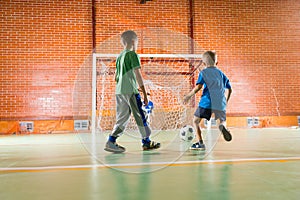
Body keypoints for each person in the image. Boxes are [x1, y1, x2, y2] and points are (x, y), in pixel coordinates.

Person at [104, 30, 160, 153]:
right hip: (130, 91)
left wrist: (132, 86)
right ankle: (146, 142)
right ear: (134, 41)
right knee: (141, 115)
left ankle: (111, 140)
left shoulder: (119, 57)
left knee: (122, 118)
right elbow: (138, 74)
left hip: (119, 91)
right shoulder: (132, 54)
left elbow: (117, 77)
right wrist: (144, 94)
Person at [183, 50, 232, 150]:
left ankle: (200, 143)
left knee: (196, 121)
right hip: (220, 103)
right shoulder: (221, 74)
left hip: (207, 102)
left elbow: (198, 87)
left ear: (204, 63)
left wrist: (188, 96)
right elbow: (230, 89)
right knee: (221, 120)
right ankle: (223, 127)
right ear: (216, 63)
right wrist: (226, 101)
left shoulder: (203, 72)